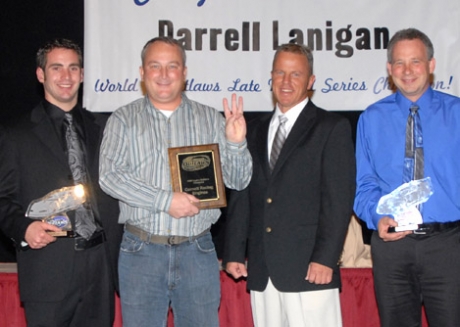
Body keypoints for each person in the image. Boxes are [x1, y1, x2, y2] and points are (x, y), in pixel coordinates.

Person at [99, 36, 252, 327]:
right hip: (141, 251)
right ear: (142, 73)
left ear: (184, 72)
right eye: (155, 66)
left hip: (198, 250)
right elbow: (109, 177)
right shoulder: (123, 119)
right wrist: (165, 200)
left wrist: (235, 144)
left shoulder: (211, 119)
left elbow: (239, 180)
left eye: (172, 66)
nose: (164, 74)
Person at [223, 43, 356, 327]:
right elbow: (243, 193)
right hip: (262, 269)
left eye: (295, 74)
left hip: (310, 269)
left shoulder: (331, 128)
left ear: (310, 82)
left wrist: (326, 259)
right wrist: (235, 250)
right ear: (271, 77)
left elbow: (338, 200)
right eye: (280, 73)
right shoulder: (253, 129)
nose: (286, 81)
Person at [0, 39, 123, 327]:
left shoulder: (105, 128)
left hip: (100, 266)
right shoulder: (15, 134)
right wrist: (24, 227)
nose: (65, 77)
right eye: (56, 68)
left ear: (82, 74)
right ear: (41, 75)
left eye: (73, 68)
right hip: (48, 268)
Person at [354, 28, 460, 327]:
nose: (407, 71)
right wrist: (378, 217)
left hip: (449, 245)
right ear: (389, 69)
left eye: (415, 61)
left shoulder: (457, 114)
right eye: (399, 63)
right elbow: (364, 184)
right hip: (392, 248)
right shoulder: (371, 119)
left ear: (431, 65)